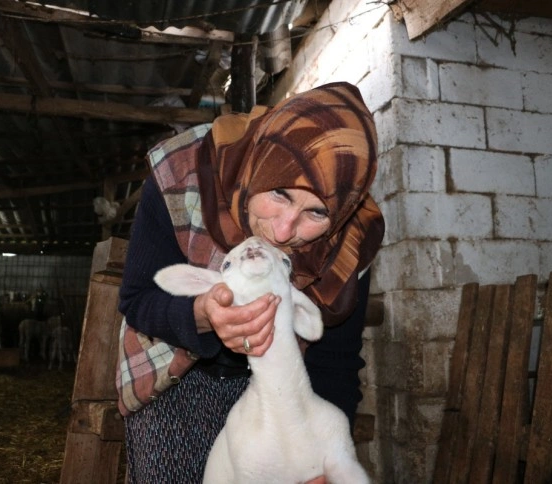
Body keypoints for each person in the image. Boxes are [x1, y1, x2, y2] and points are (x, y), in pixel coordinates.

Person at [118, 82, 384, 482]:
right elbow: (139, 300)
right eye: (279, 193)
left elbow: (336, 360)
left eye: (316, 213)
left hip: (284, 395)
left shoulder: (352, 237)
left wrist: (322, 458)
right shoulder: (182, 170)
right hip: (172, 377)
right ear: (261, 164)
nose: (282, 230)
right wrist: (201, 316)